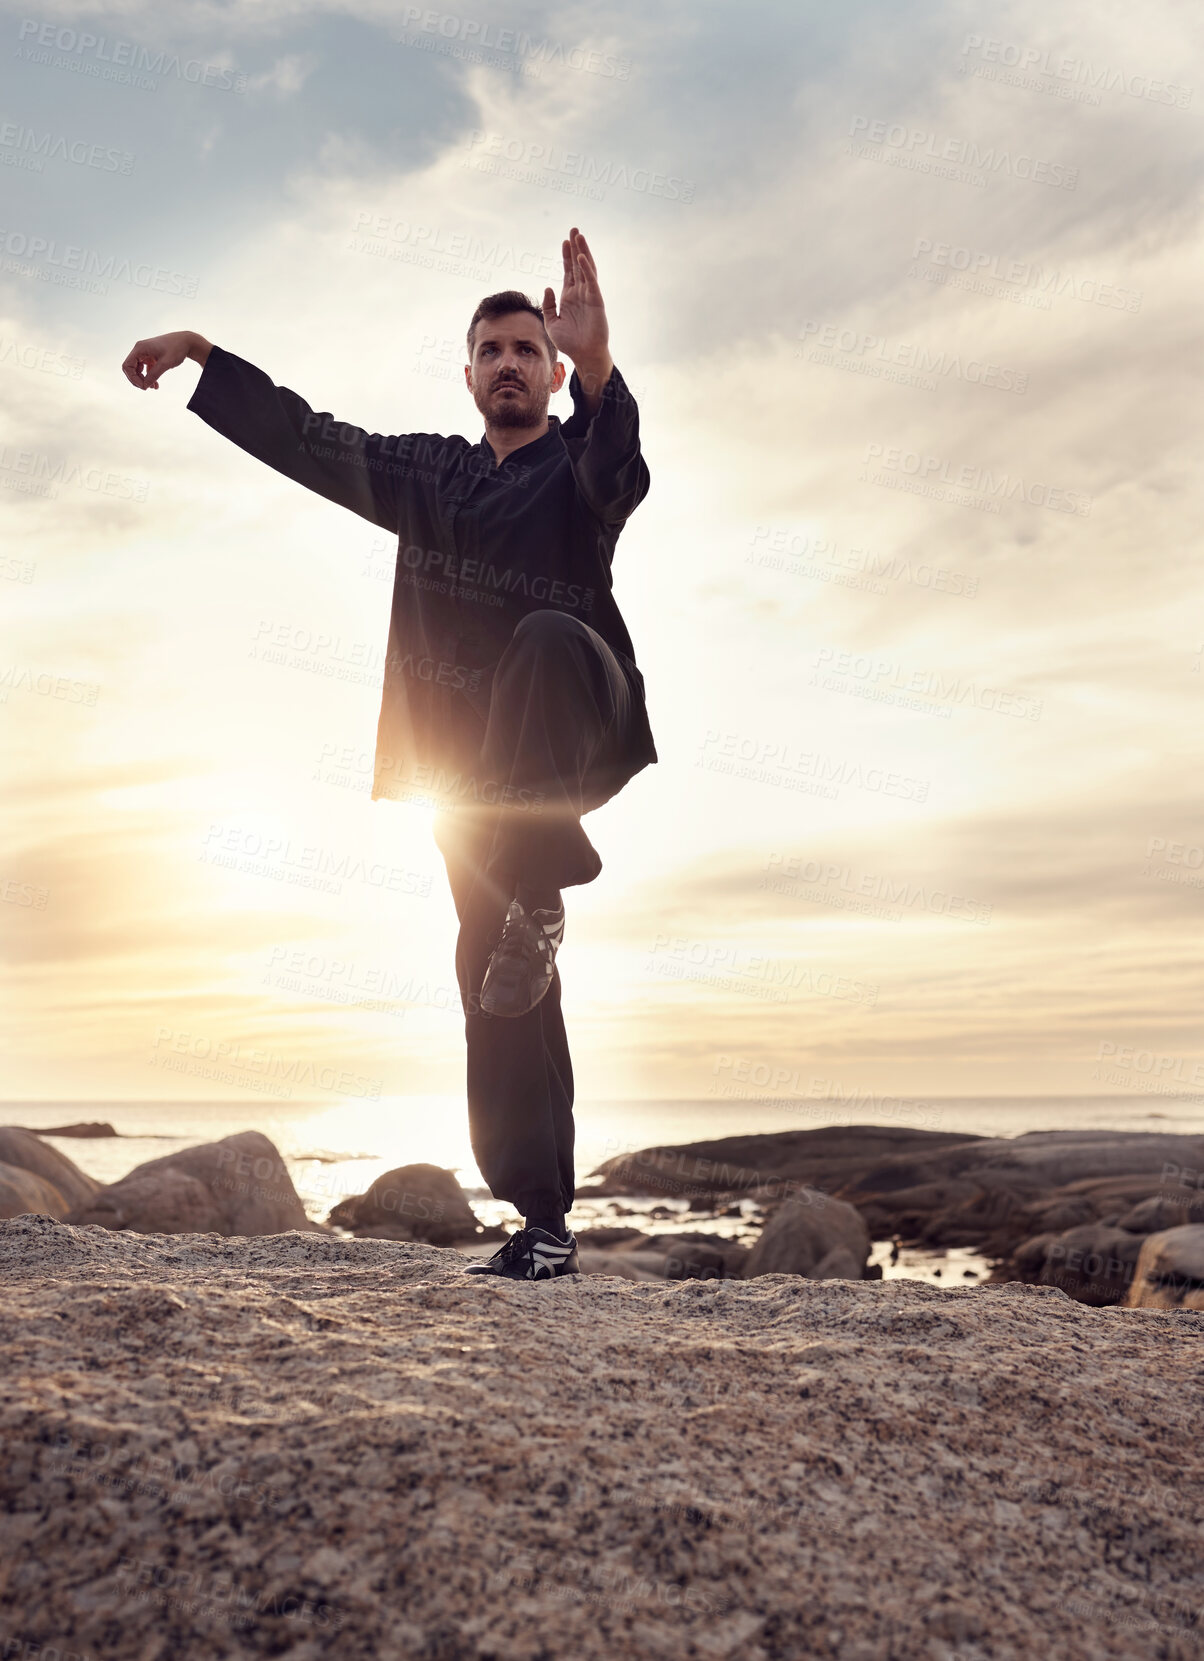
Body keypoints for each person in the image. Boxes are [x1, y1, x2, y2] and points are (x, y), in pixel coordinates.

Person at [121, 227, 656, 1281]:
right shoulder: (427, 474)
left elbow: (620, 476)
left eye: (528, 350)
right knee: (495, 976)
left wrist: (600, 371)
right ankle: (543, 1219)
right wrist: (203, 355)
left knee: (544, 638)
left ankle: (542, 888)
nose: (510, 362)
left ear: (549, 374)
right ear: (467, 375)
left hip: (576, 714)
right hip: (467, 783)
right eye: (491, 350)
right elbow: (309, 438)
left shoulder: (574, 467)